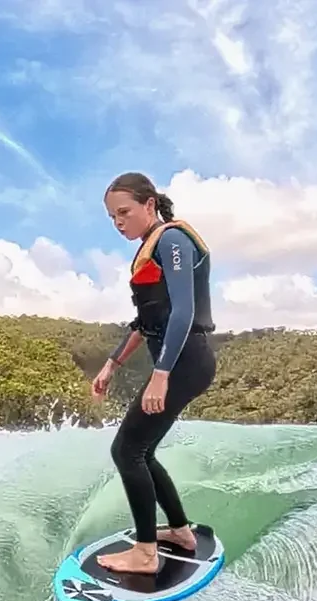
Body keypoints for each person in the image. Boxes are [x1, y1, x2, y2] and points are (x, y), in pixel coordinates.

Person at [90, 171, 217, 575]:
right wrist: (112, 363)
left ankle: (146, 553)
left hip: (185, 361)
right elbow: (143, 322)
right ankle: (179, 532)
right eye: (112, 217)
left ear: (150, 205)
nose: (118, 222)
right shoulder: (149, 248)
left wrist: (161, 373)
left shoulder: (172, 240)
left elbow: (183, 311)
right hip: (178, 361)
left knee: (126, 451)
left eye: (124, 212)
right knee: (141, 451)